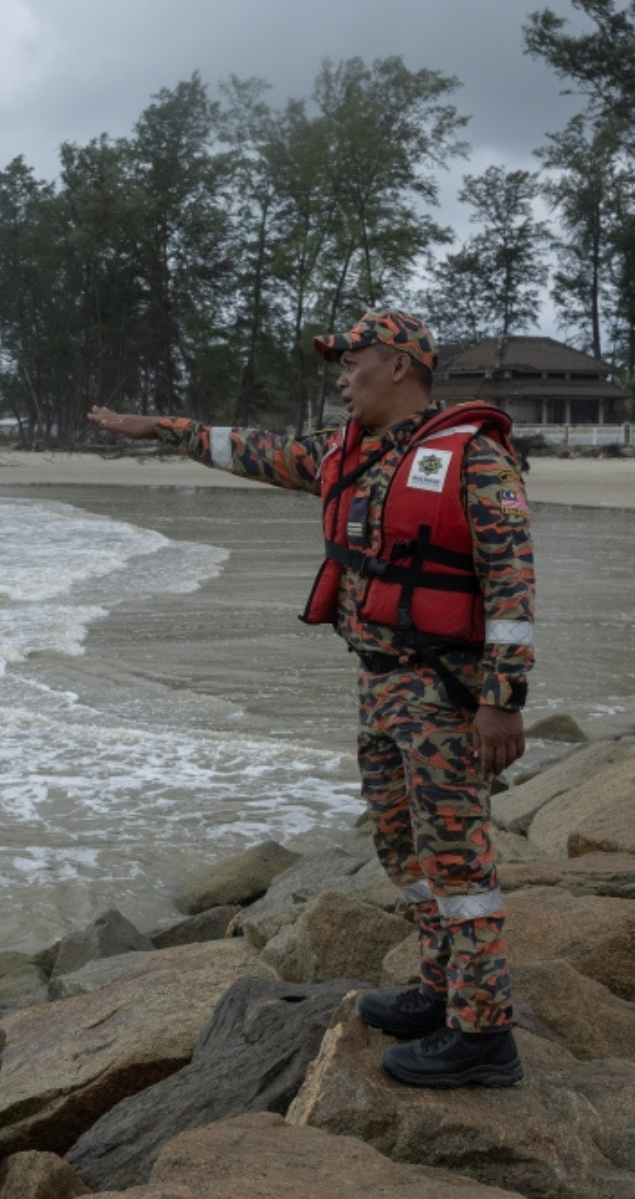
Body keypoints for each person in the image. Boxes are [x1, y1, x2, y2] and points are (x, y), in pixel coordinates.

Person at [88, 309, 534, 1089]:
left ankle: (484, 1032)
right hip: (379, 683)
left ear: (397, 365)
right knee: (403, 849)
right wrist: (159, 426)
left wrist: (502, 699)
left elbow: (512, 582)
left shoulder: (473, 457)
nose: (340, 375)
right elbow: (249, 450)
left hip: (444, 692)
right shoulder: (347, 456)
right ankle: (441, 989)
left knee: (460, 863)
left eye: (350, 359)